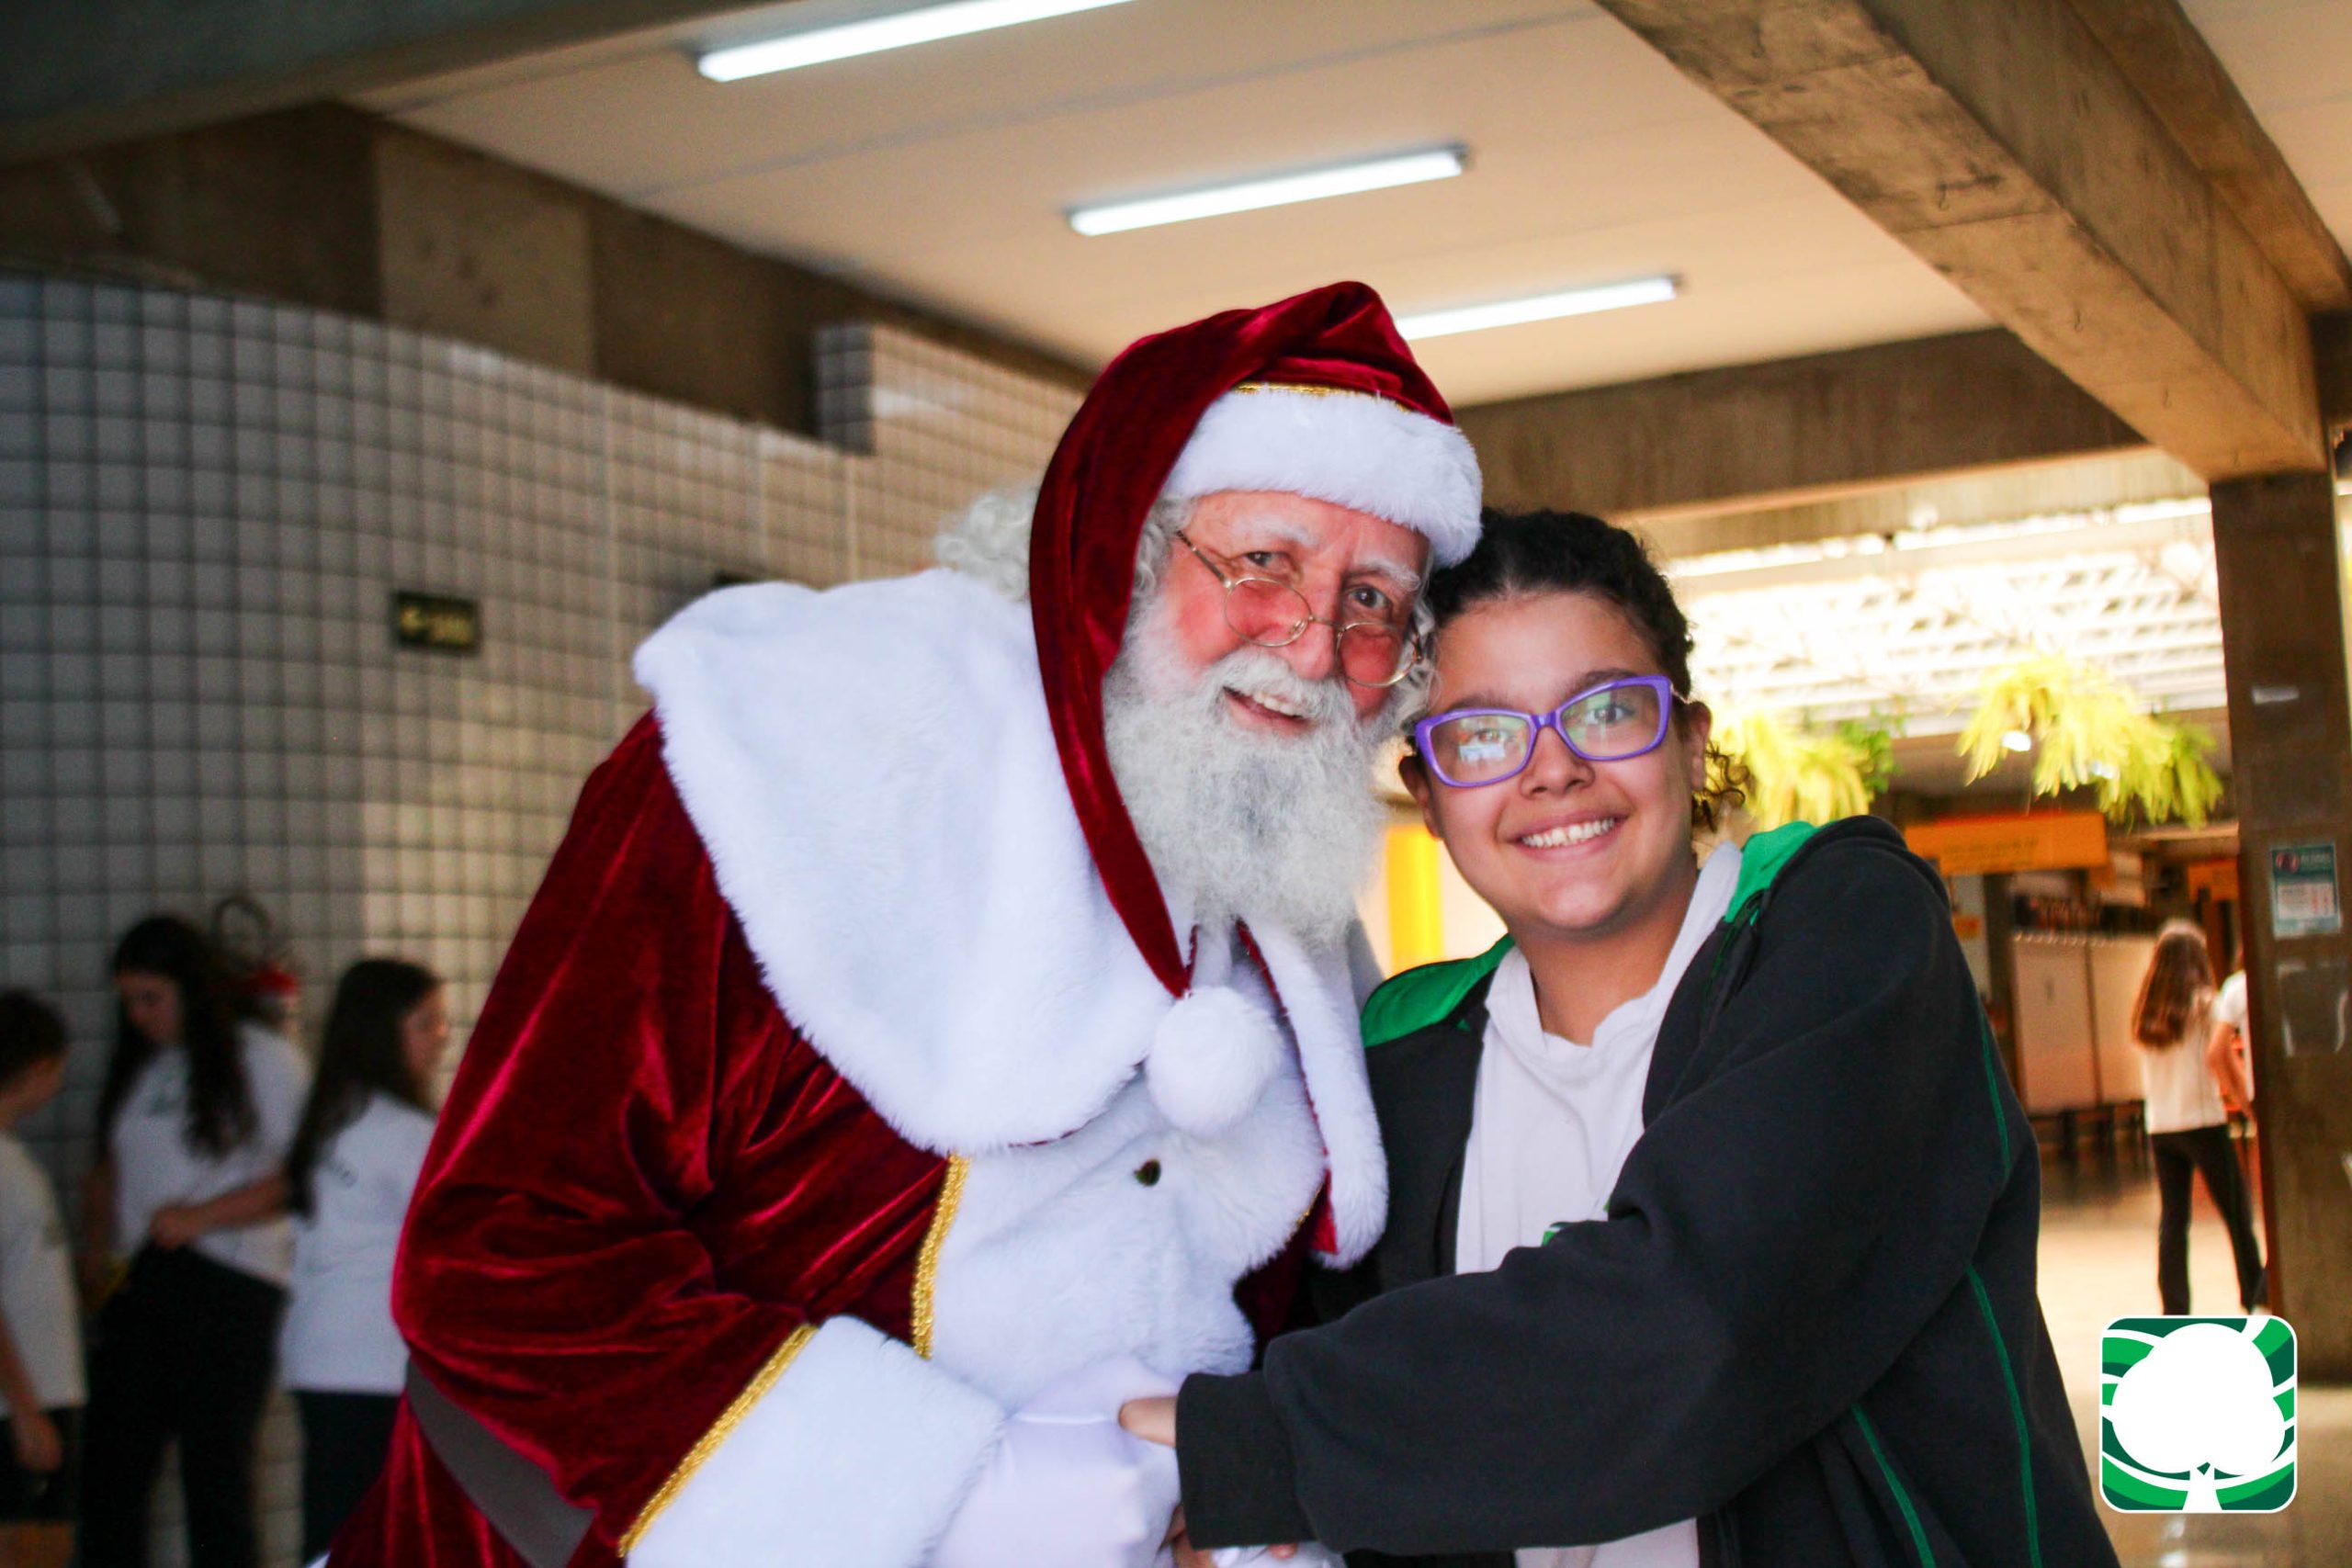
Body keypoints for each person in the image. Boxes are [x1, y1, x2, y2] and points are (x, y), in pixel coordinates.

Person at [324, 282, 1485, 1568]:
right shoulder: (790, 753)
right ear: (1125, 548)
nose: (1313, 645)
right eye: (1263, 561)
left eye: (1373, 600)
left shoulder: (1284, 886)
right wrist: (953, 1495)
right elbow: (502, 1252)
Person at [1127, 510, 2116, 1568]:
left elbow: (1700, 1332)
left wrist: (1265, 1448)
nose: (1550, 770)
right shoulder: (1401, 1064)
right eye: (1482, 736)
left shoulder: (1843, 933)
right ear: (1428, 794)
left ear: (1690, 742)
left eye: (1604, 712)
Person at [78, 915, 310, 1568]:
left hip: (227, 1280)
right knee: (112, 1472)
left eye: (152, 998)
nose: (139, 1015)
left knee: (216, 1478)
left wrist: (204, 1216)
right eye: (129, 1002)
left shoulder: (262, 1057)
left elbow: (299, 1175)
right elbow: (109, 1166)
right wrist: (96, 1249)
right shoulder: (144, 1065)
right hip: (141, 1277)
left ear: (192, 988)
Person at [280, 959, 450, 1558]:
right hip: (376, 1360)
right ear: (383, 1032)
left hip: (317, 1352)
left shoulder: (327, 1114)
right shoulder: (405, 1131)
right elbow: (450, 1241)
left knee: (334, 1531)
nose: (442, 1038)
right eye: (425, 1023)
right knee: (379, 1537)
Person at [2130, 922, 2264, 1314]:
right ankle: (2255, 1292)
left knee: (2173, 1221)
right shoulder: (2205, 1003)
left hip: (2161, 1126)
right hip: (2202, 1121)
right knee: (2236, 1211)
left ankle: (2174, 1309)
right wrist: (2245, 1099)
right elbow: (2219, 1055)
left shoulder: (2145, 1009)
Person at [0, 991, 83, 1568]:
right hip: (22, 1401)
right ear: (39, 1068)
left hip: (41, 1391)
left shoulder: (14, 1157)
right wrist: (25, 1408)